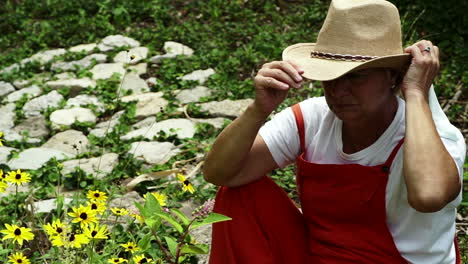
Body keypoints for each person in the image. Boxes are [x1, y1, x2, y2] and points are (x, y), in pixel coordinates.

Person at [202, 0, 466, 263]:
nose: (339, 91)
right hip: (321, 256)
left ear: (393, 77)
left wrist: (417, 93)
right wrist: (258, 110)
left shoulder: (435, 137)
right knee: (240, 194)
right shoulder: (312, 118)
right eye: (331, 77)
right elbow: (220, 173)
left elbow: (429, 196)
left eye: (356, 76)